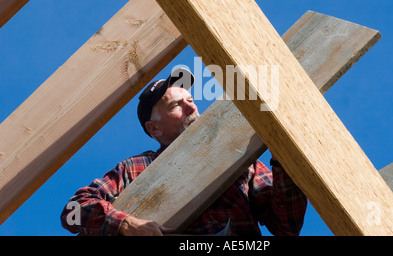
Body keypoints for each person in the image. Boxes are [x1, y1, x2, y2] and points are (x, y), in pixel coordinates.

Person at [60, 68, 307, 236]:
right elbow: (73, 211)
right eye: (177, 104)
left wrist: (283, 155)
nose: (191, 106)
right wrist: (126, 224)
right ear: (154, 128)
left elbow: (287, 225)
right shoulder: (136, 168)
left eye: (190, 99)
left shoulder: (241, 157)